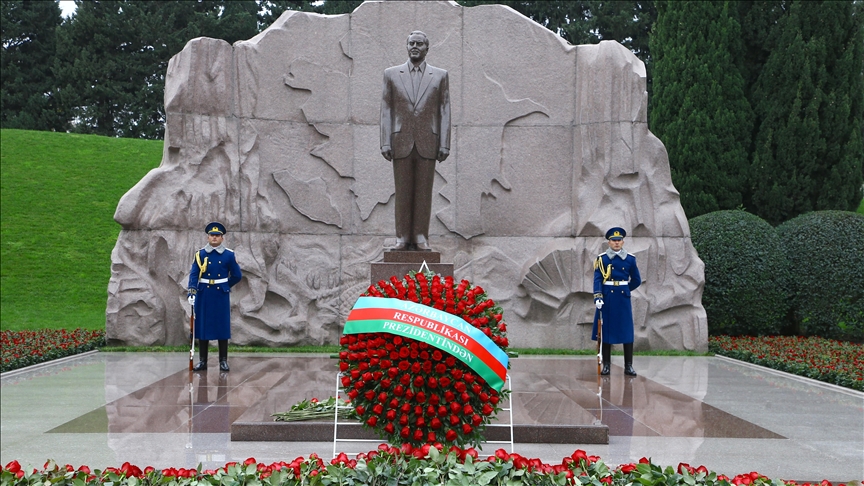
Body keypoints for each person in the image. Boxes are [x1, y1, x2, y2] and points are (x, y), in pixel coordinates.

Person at [380, 30, 451, 251]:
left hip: (428, 142)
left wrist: (445, 143)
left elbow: (444, 110)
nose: (415, 47)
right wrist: (384, 141)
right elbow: (386, 109)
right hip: (400, 141)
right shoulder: (391, 74)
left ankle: (420, 236)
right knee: (402, 193)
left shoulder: (440, 76)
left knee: (423, 192)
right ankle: (402, 238)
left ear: (427, 49)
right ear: (406, 46)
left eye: (419, 44)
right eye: (411, 43)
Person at [187, 222, 242, 372]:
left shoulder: (229, 255)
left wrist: (225, 285)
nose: (215, 238)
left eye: (217, 236)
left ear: (222, 238)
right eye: (212, 235)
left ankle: (223, 361)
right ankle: (203, 361)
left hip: (220, 294)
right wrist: (192, 291)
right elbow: (194, 274)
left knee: (221, 327)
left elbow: (237, 275)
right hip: (204, 293)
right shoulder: (201, 254)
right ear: (208, 237)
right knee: (203, 327)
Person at [592, 227, 641, 376]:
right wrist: (598, 296)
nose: (617, 243)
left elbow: (636, 280)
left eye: (619, 240)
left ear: (623, 242)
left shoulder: (630, 259)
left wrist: (625, 289)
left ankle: (628, 365)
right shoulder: (602, 259)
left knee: (627, 332)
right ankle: (606, 365)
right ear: (609, 242)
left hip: (622, 298)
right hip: (608, 298)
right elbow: (598, 280)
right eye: (614, 241)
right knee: (607, 332)